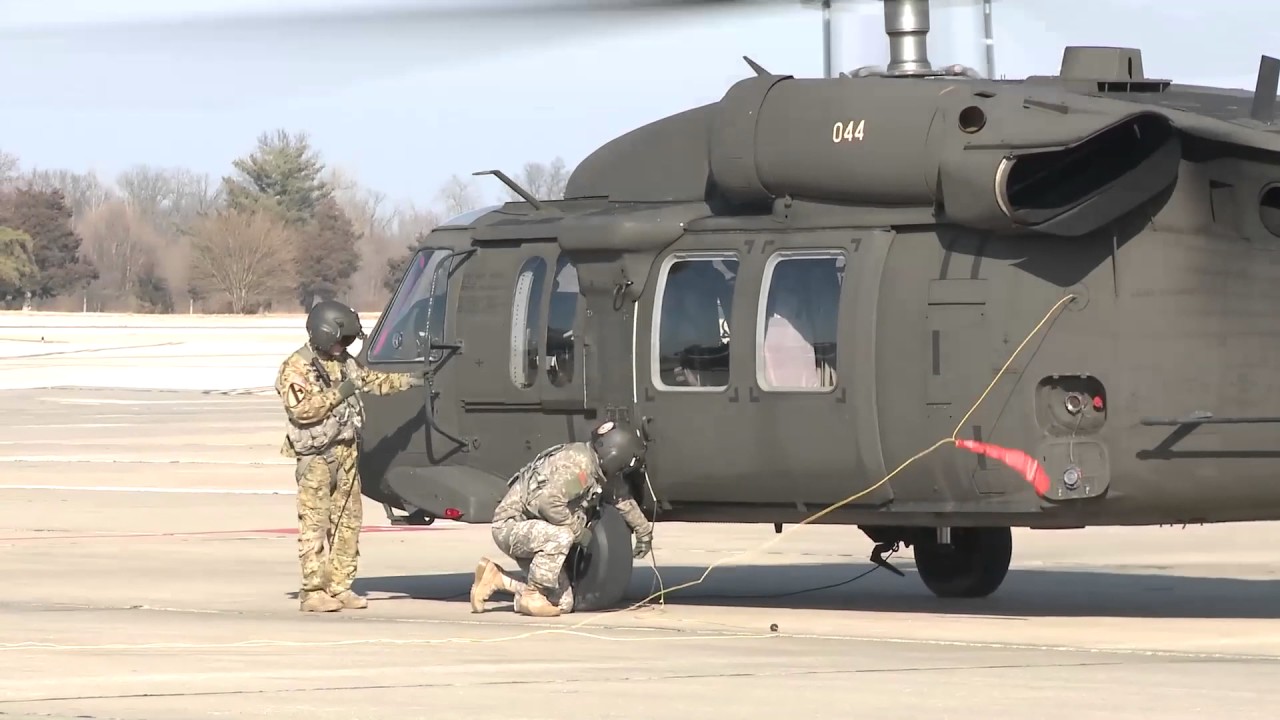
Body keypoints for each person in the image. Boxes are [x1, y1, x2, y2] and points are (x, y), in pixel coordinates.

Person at [274, 299, 425, 613]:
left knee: (348, 522)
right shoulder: (296, 368)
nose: (344, 347)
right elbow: (302, 411)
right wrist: (340, 393)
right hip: (316, 459)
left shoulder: (343, 362)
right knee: (315, 525)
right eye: (341, 340)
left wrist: (411, 380)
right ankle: (313, 591)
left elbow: (369, 381)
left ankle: (340, 586)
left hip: (345, 452)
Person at [469, 420, 655, 617]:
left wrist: (644, 532)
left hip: (538, 531)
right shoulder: (579, 469)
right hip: (511, 527)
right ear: (615, 456)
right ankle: (533, 594)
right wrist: (579, 533)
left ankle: (496, 578)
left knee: (563, 602)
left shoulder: (597, 466)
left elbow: (621, 498)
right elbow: (549, 503)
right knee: (563, 536)